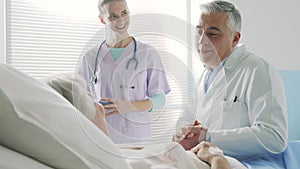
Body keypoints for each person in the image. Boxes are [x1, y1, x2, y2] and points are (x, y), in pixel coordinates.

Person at [174, 0, 288, 160]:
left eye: (212, 34)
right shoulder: (205, 75)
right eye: (199, 32)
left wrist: (208, 137)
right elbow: (187, 117)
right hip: (206, 158)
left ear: (235, 38)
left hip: (246, 163)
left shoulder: (257, 70)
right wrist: (183, 132)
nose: (201, 41)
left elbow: (274, 136)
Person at [77, 0, 170, 143]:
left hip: (137, 136)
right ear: (102, 20)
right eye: (113, 16)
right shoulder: (90, 57)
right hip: (102, 135)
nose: (121, 20)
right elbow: (81, 100)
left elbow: (160, 100)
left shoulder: (147, 53)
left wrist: (129, 106)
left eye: (124, 13)